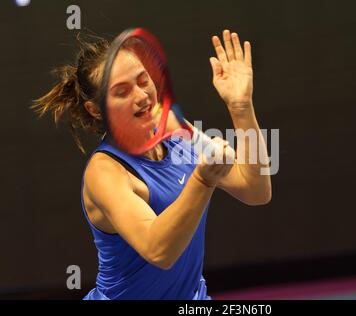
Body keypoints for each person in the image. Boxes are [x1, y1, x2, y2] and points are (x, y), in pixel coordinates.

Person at [32, 29, 271, 300]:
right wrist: (203, 180)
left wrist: (240, 107)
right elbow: (159, 250)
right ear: (95, 109)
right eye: (122, 91)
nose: (142, 96)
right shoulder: (106, 172)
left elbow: (255, 189)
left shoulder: (173, 127)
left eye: (143, 80)